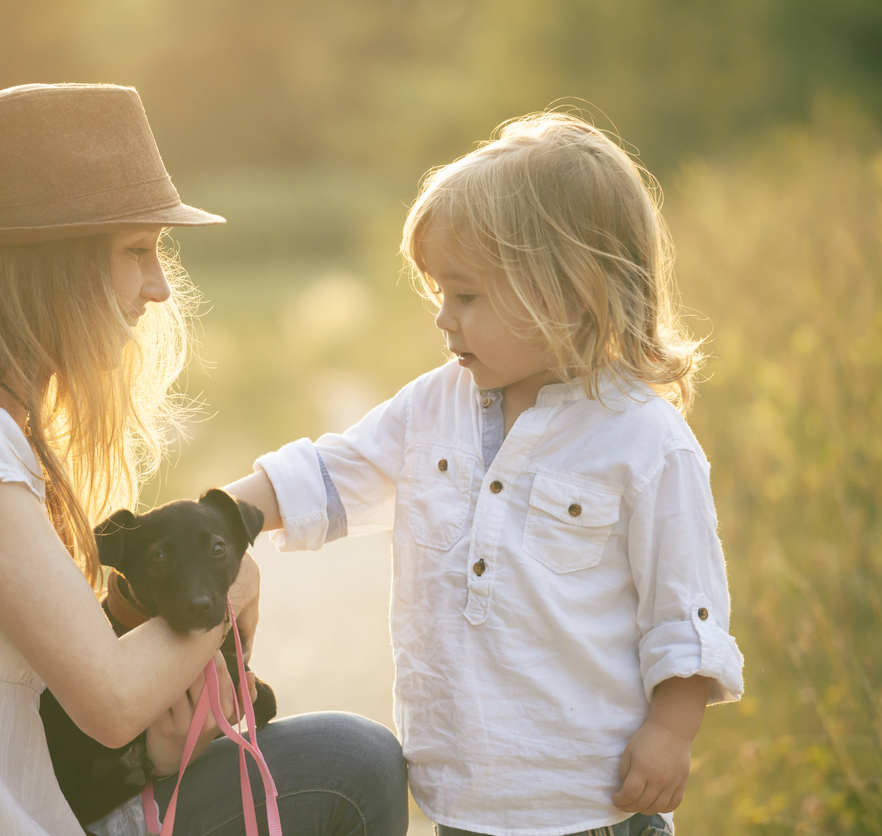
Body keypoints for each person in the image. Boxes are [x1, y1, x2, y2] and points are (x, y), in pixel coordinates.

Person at [0, 84, 407, 836]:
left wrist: (154, 753)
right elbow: (111, 699)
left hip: (2, 804)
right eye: (137, 251)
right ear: (46, 266)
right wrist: (235, 577)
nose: (159, 287)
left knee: (344, 756)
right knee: (352, 770)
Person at [224, 112, 745, 836]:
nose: (443, 318)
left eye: (465, 296)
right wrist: (225, 513)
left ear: (567, 292)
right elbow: (335, 472)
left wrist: (671, 732)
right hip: (465, 800)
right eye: (439, 292)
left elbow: (683, 613)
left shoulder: (646, 442)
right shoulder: (437, 403)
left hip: (590, 807)